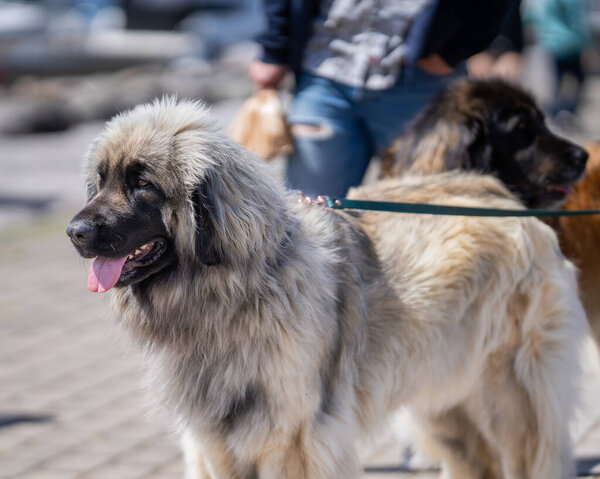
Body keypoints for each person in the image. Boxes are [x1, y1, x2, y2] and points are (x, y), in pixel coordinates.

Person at [250, 0, 514, 197]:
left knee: (424, 219)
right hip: (325, 66)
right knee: (311, 214)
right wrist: (275, 47)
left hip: (421, 76)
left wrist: (454, 50)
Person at [524, 0, 593, 123]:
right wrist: (587, 46)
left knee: (558, 80)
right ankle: (568, 110)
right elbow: (579, 23)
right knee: (577, 80)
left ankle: (557, 110)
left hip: (552, 43)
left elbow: (532, 17)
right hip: (572, 43)